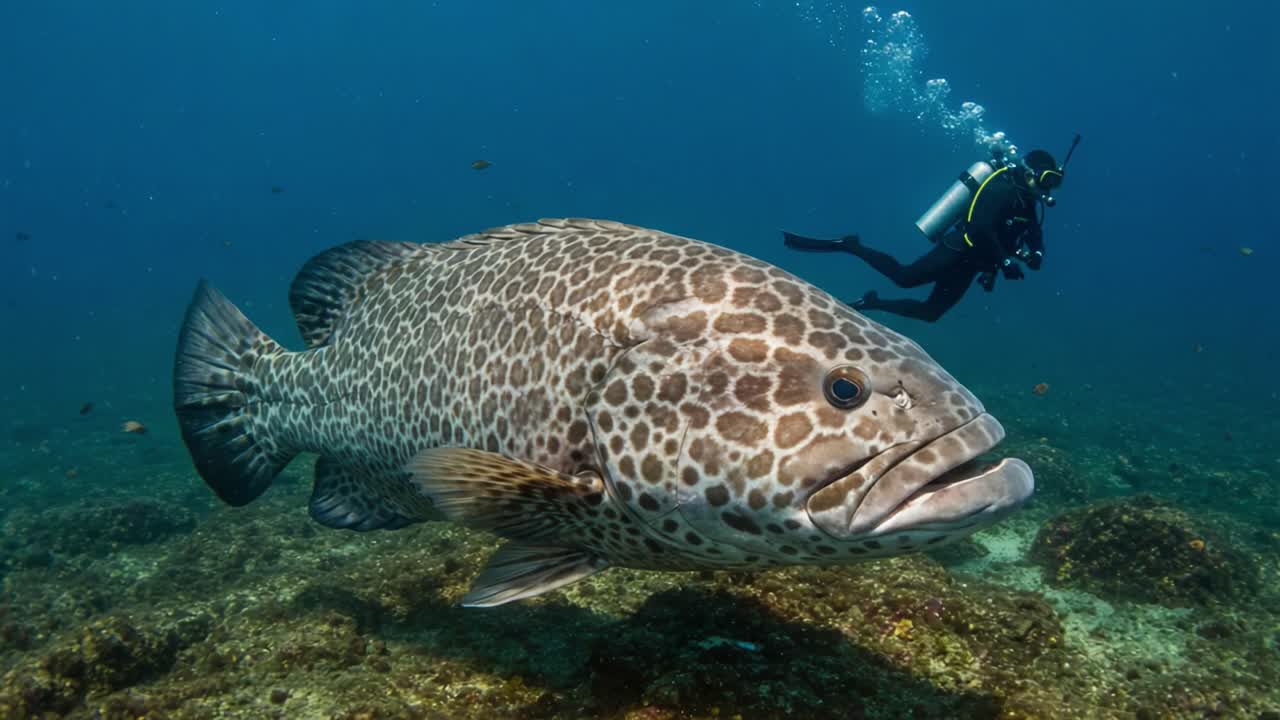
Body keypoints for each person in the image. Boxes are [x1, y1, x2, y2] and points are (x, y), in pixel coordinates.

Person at [783, 144, 1072, 322]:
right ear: (1030, 171)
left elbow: (1034, 233)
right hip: (959, 249)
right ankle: (851, 246)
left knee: (931, 313)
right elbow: (979, 226)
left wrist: (1036, 253)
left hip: (976, 263)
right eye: (1047, 180)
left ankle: (872, 303)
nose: (1047, 189)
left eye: (1054, 182)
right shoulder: (1001, 188)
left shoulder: (1029, 202)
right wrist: (1005, 261)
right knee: (904, 278)